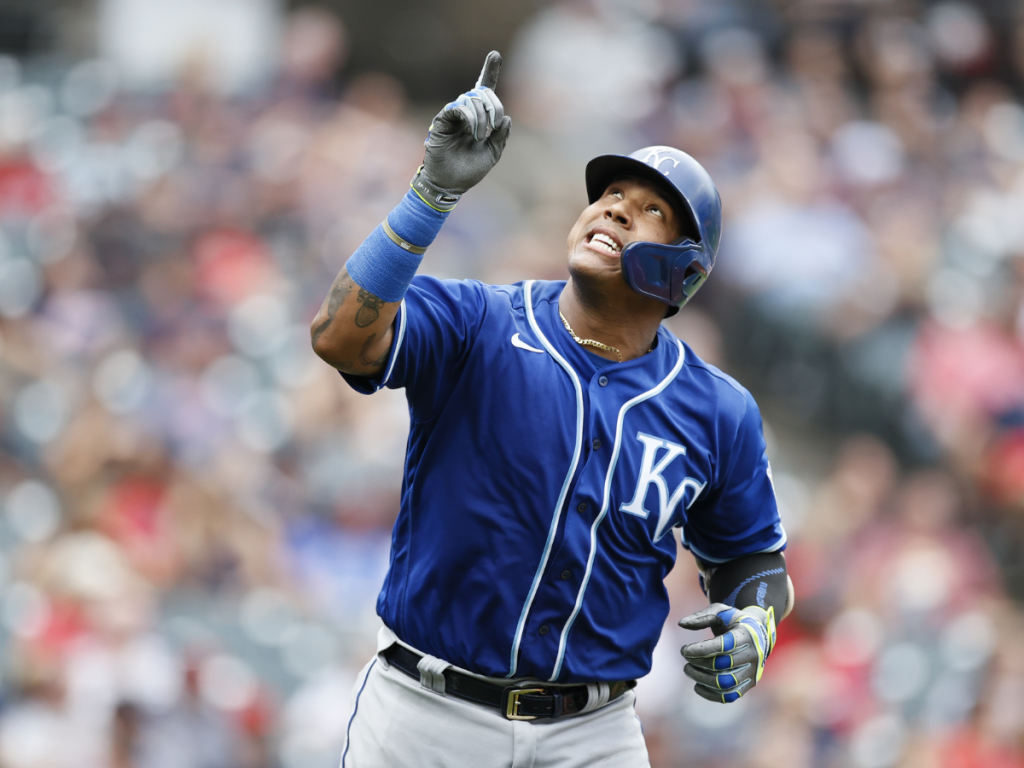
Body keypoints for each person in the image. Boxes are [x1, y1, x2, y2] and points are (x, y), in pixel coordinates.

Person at [311, 51, 794, 768]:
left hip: (592, 733)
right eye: (610, 194)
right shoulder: (478, 322)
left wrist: (757, 621)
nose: (616, 206)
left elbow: (750, 557)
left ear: (685, 271)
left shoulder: (718, 410)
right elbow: (339, 339)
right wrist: (429, 196)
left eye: (651, 208)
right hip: (426, 713)